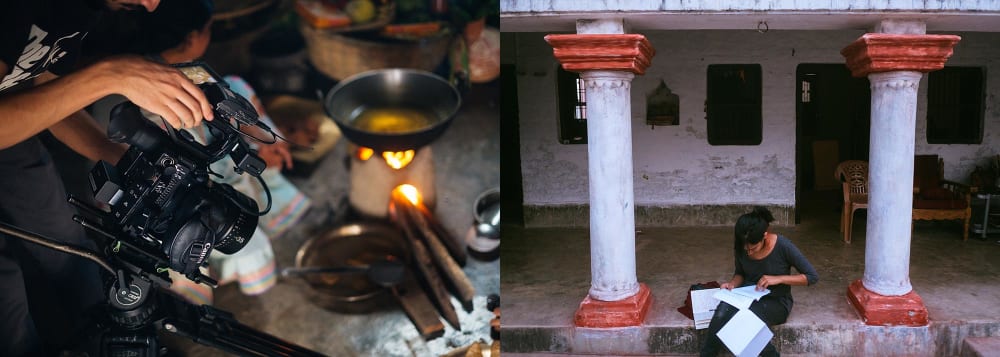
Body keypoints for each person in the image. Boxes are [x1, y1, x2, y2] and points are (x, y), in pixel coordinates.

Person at [0, 1, 215, 356]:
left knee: (70, 247)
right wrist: (109, 75)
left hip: (12, 140)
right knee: (8, 303)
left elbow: (40, 85)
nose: (150, 5)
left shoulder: (82, 8)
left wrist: (128, 162)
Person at [88, 0, 311, 304]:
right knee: (234, 90)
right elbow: (201, 162)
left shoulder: (118, 76)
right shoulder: (189, 85)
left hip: (129, 202)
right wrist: (253, 150)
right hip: (175, 203)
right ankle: (224, 267)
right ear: (193, 37)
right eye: (208, 29)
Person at [700, 207, 819, 357]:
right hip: (746, 296)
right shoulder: (742, 245)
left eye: (753, 248)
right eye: (745, 249)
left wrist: (779, 279)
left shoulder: (783, 246)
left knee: (743, 320)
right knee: (721, 312)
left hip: (776, 301)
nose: (748, 252)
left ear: (765, 235)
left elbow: (811, 276)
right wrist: (732, 285)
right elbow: (740, 273)